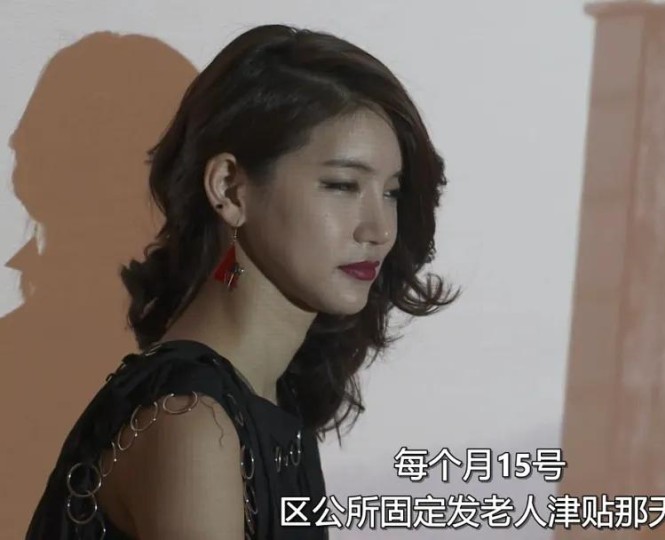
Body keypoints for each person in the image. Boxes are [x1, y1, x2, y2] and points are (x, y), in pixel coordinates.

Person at [26, 23, 458, 539]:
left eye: (391, 192)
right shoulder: (194, 423)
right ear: (230, 189)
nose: (379, 230)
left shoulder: (263, 401)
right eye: (343, 185)